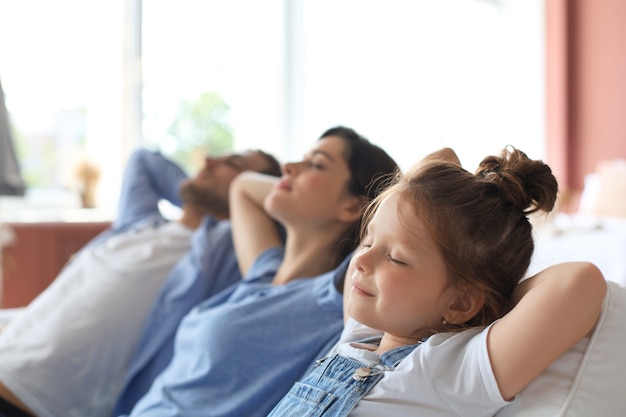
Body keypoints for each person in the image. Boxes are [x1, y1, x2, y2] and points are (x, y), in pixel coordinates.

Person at [266, 146, 607, 417]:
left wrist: (494, 304)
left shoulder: (448, 372)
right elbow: (441, 157)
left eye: (395, 258)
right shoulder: (358, 336)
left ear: (460, 302)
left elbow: (580, 282)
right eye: (369, 241)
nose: (361, 259)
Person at [120, 126, 399, 417]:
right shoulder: (263, 273)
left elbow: (418, 199)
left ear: (353, 205)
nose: (288, 167)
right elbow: (242, 186)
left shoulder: (336, 296)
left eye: (316, 164)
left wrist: (372, 212)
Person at [0, 147, 281, 417]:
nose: (208, 161)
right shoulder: (138, 225)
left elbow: (287, 220)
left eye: (233, 164)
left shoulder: (219, 253)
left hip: (29, 405)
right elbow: (143, 159)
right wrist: (197, 193)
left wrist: (240, 196)